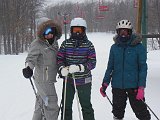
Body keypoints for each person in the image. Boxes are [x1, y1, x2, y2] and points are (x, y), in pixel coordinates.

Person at [100, 20, 151, 120]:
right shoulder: (114, 48)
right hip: (118, 86)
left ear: (130, 32)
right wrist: (104, 84)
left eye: (125, 32)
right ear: (117, 32)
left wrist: (141, 87)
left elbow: (143, 69)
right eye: (120, 32)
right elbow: (110, 67)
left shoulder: (138, 48)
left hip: (134, 87)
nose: (123, 35)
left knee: (141, 112)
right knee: (117, 113)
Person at [57, 17, 96, 120]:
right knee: (66, 105)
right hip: (69, 80)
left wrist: (80, 67)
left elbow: (92, 62)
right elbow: (59, 58)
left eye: (80, 30)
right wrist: (61, 69)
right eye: (75, 30)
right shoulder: (66, 43)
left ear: (84, 31)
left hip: (84, 81)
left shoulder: (89, 45)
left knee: (86, 106)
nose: (77, 33)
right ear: (71, 31)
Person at [22, 18, 62, 120]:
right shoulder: (37, 43)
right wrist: (28, 68)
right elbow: (30, 59)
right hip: (43, 80)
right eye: (46, 31)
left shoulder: (54, 42)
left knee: (41, 103)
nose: (49, 34)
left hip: (49, 79)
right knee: (51, 103)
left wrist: (61, 70)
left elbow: (55, 59)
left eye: (51, 31)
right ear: (41, 32)